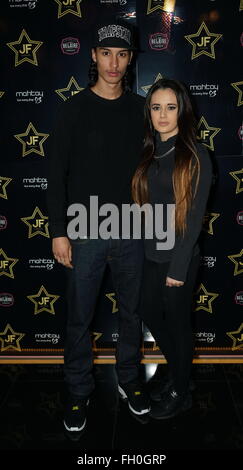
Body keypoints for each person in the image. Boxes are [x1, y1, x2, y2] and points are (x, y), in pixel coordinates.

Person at [46, 19, 150, 440]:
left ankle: (129, 378)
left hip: (132, 231)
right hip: (83, 231)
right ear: (93, 56)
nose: (114, 63)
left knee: (132, 313)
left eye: (122, 54)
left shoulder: (142, 109)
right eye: (106, 53)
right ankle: (77, 390)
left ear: (129, 60)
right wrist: (58, 231)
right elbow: (57, 175)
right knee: (78, 318)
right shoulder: (73, 109)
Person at [132, 78, 213, 419]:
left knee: (179, 324)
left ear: (182, 110)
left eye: (170, 107)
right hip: (150, 254)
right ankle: (181, 373)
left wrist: (178, 269)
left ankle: (181, 389)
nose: (163, 115)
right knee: (149, 312)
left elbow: (194, 218)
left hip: (179, 258)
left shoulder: (196, 154)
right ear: (148, 112)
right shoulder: (148, 151)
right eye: (156, 107)